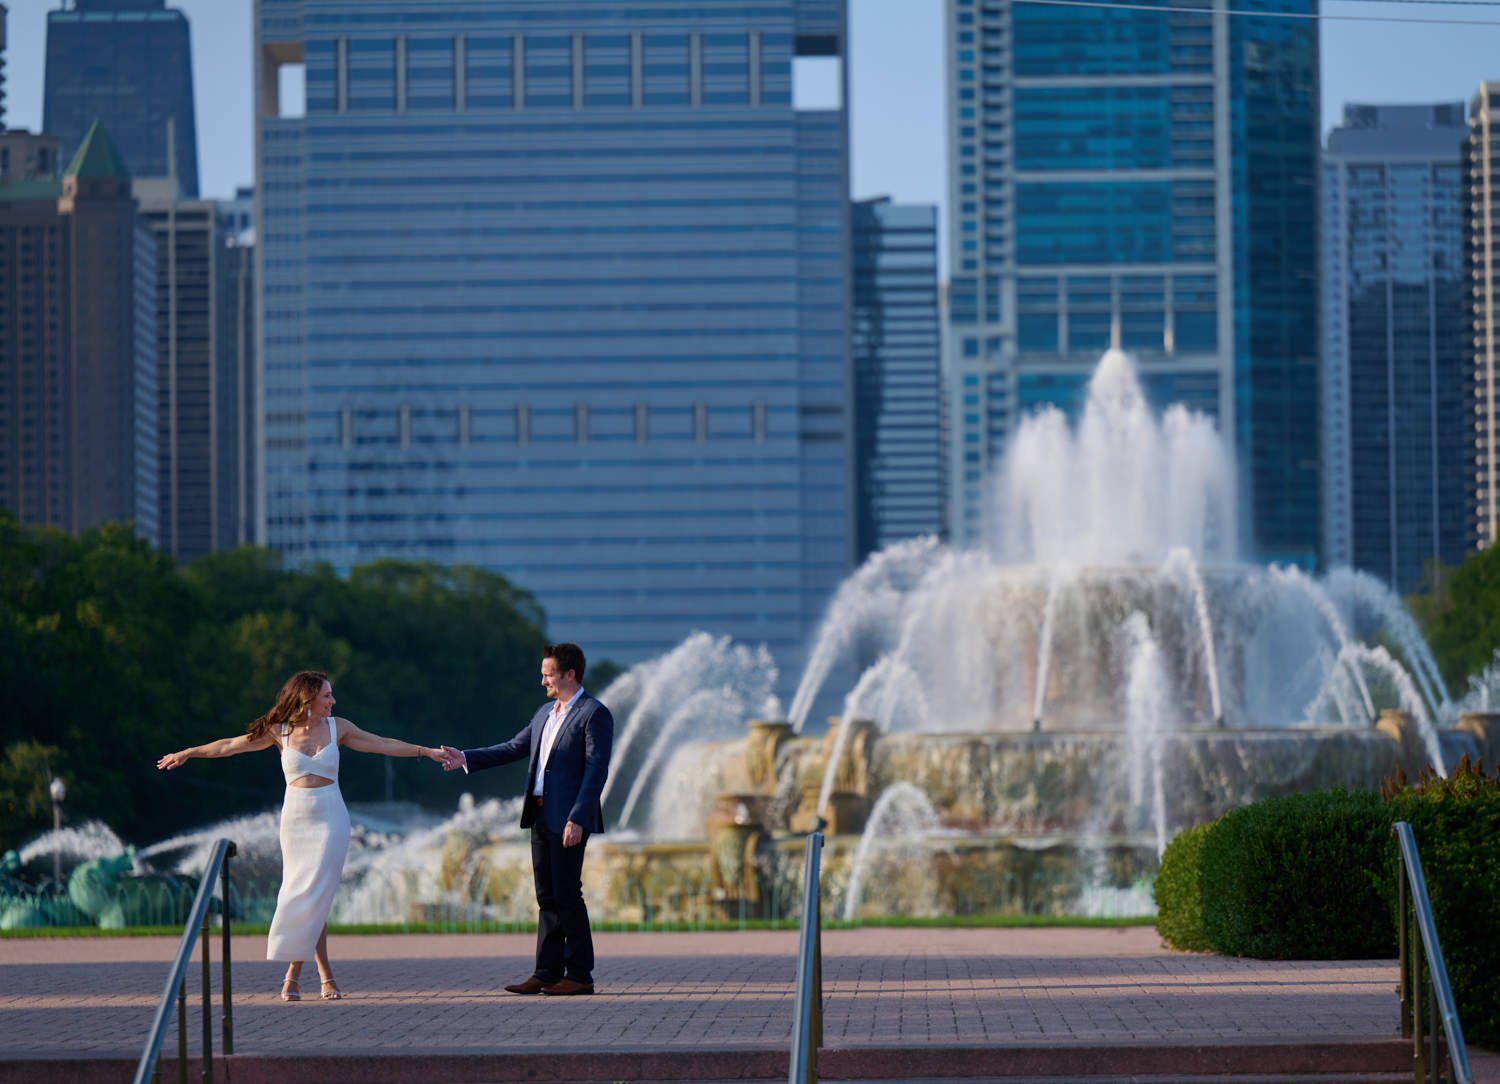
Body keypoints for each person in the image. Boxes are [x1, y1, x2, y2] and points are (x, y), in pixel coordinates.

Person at [157, 670, 445, 1001]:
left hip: (331, 818)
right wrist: (189, 752)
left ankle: (293, 975)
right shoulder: (278, 732)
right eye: (327, 695)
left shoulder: (340, 728)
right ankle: (325, 976)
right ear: (308, 698)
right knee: (304, 893)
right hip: (295, 820)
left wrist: (427, 752)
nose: (333, 701)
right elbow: (228, 746)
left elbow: (382, 744)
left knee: (315, 891)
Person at [439, 642, 613, 996]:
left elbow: (597, 769)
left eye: (548, 674)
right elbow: (513, 747)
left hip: (568, 818)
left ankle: (580, 975)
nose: (543, 680)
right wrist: (466, 758)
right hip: (539, 815)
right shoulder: (544, 714)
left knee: (567, 894)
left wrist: (578, 817)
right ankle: (547, 971)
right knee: (547, 896)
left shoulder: (594, 714)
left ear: (569, 674)